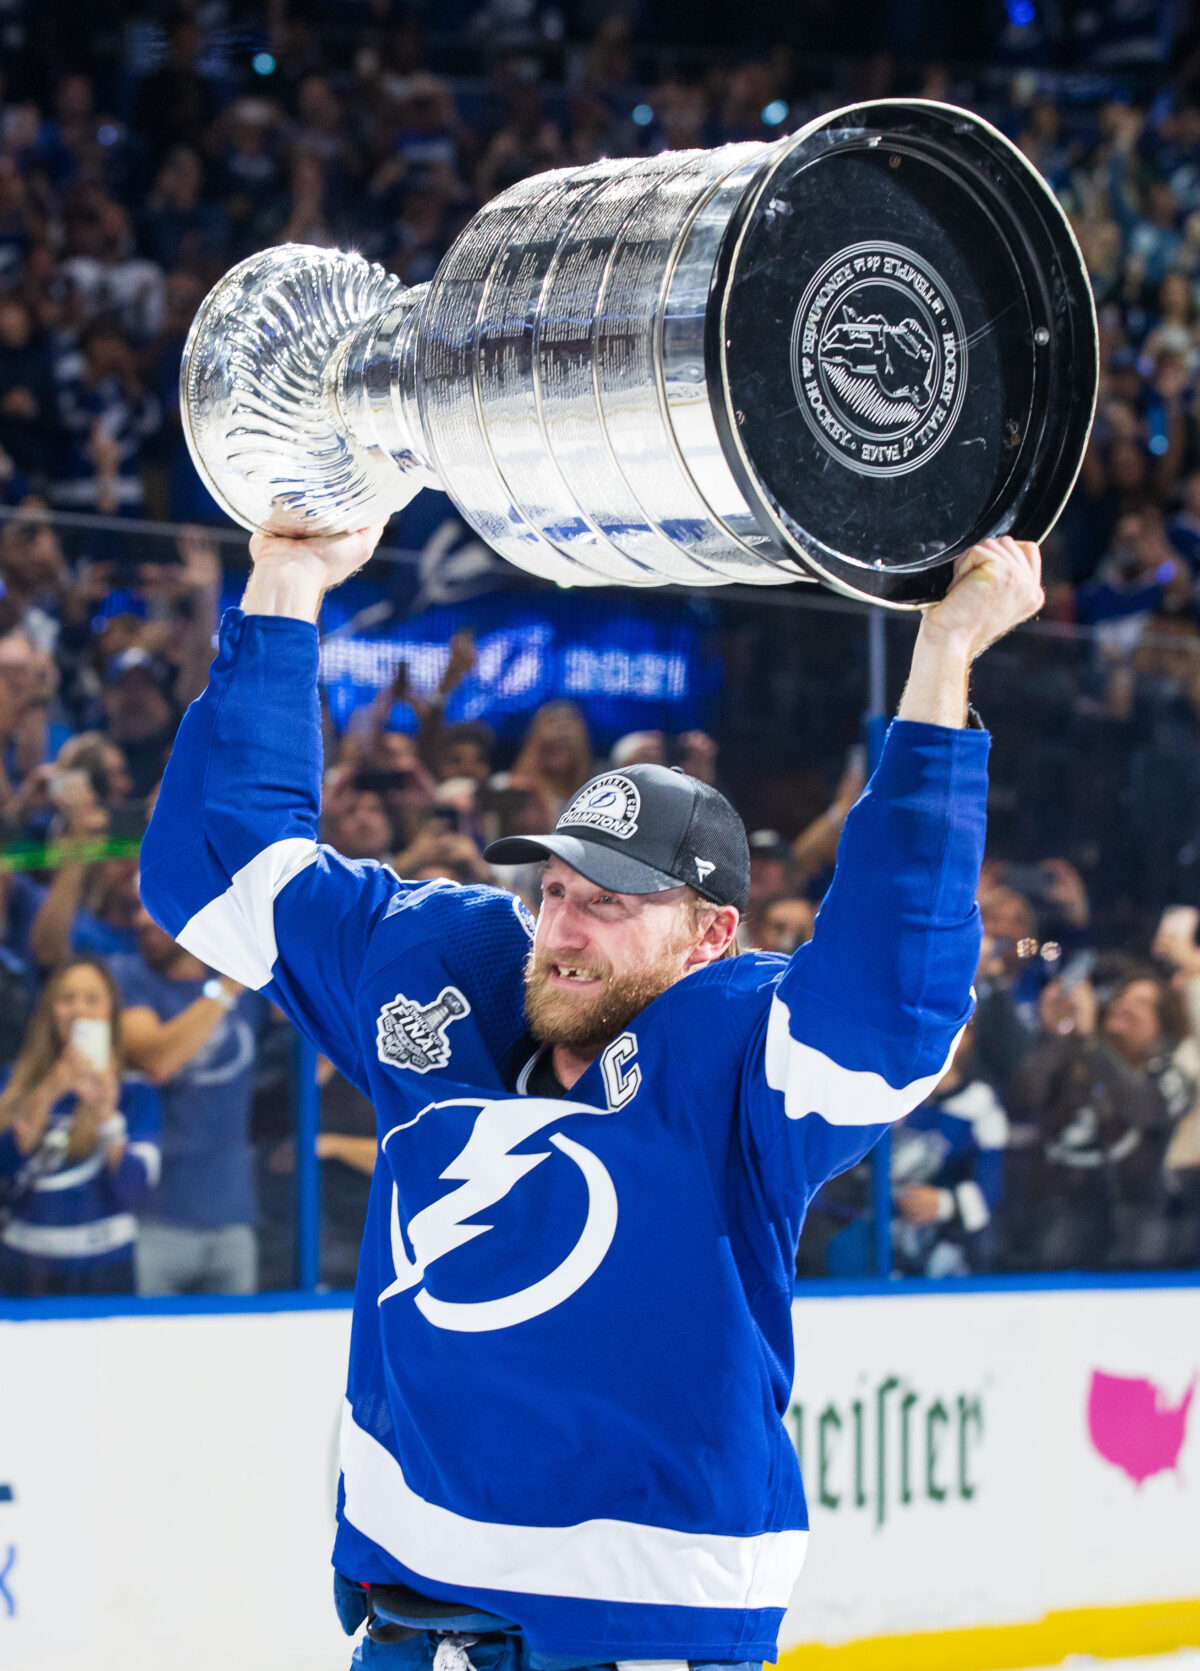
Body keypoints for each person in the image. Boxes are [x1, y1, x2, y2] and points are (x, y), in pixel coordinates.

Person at [138, 526, 1042, 1670]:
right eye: (558, 887)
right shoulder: (445, 967)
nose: (563, 928)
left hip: (638, 1627)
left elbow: (887, 1010)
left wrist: (944, 656)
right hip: (407, 1621)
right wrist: (291, 580)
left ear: (712, 935)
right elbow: (216, 868)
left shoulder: (736, 1052)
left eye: (613, 904)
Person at [109, 907, 267, 1296]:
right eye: (138, 911)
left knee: (236, 1351)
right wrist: (226, 987)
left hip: (232, 1214)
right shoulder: (129, 978)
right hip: (156, 1218)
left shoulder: (246, 987)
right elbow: (158, 1061)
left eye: (154, 910)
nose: (142, 920)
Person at [0, 955, 160, 1296]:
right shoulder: (14, 1083)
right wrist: (48, 1091)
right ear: (50, 1011)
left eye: (92, 999)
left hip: (105, 1268)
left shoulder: (135, 1092)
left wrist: (107, 1118)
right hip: (22, 1267)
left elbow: (134, 1192)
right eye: (67, 998)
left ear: (110, 1012)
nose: (78, 1010)